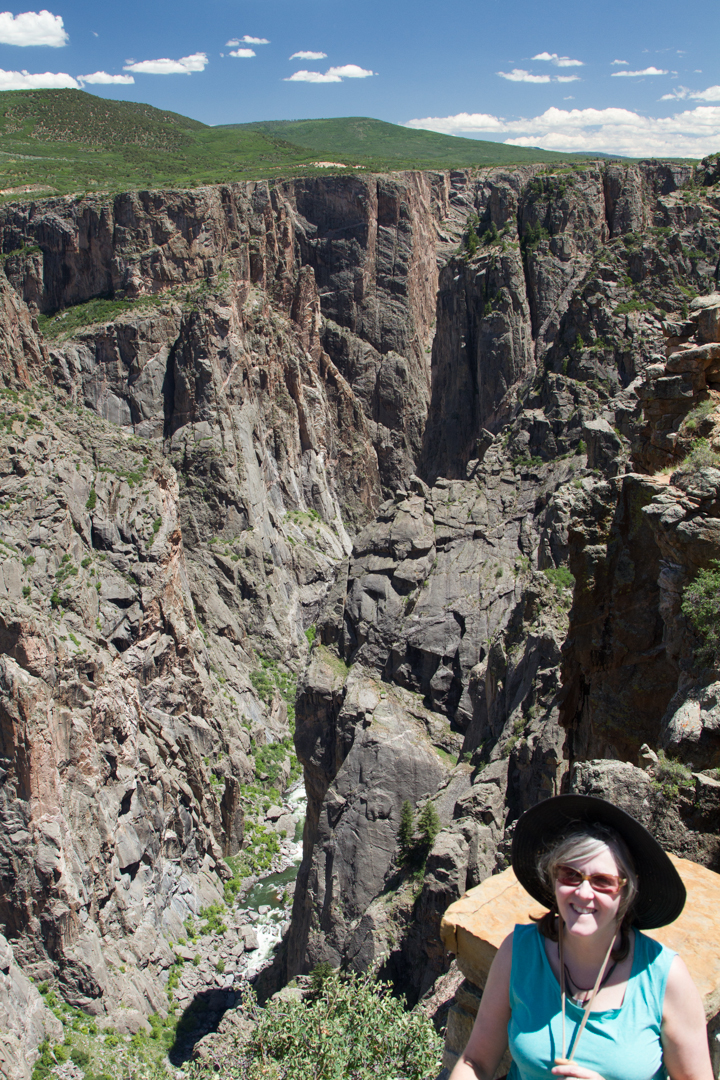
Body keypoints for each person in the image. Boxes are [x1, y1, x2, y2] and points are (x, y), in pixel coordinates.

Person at [449, 794, 713, 1080]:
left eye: (603, 882)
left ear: (625, 891)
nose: (584, 893)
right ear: (553, 878)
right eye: (570, 875)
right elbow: (475, 1062)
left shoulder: (664, 976)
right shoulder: (519, 951)